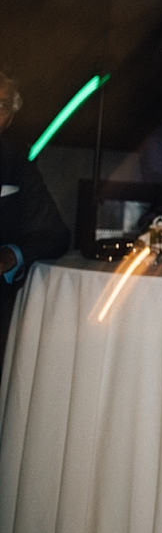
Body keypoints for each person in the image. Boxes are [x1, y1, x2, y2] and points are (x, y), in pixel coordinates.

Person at [0, 71, 71, 360]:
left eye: (2, 105)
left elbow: (54, 234)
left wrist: (11, 255)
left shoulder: (16, 160)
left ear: (10, 117)